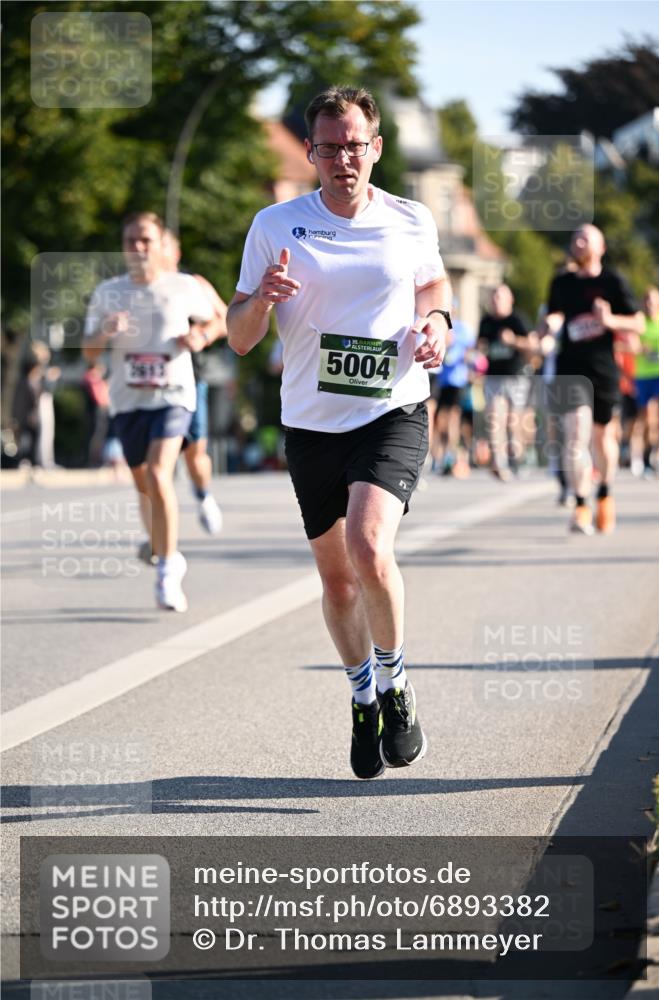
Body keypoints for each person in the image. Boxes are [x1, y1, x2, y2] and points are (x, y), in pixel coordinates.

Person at [227, 86, 451, 779]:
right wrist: (261, 299)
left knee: (367, 547)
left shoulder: (411, 220)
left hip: (391, 408)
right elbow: (237, 339)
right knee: (337, 580)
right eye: (328, 147)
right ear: (310, 153)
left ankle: (394, 685)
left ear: (375, 148)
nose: (342, 159)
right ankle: (361, 698)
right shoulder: (274, 224)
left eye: (354, 145)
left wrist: (438, 326)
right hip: (311, 422)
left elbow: (433, 289)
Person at [83, 211, 215, 611]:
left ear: (161, 246)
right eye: (130, 242)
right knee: (144, 485)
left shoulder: (183, 286)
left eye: (146, 241)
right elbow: (89, 354)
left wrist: (199, 336)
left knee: (160, 473)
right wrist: (104, 332)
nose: (138, 248)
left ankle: (168, 569)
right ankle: (161, 549)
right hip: (127, 402)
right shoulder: (108, 292)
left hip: (174, 395)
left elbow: (217, 323)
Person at [541, 224, 645, 534]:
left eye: (586, 238)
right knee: (575, 436)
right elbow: (556, 314)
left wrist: (609, 320)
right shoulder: (561, 282)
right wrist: (550, 324)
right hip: (570, 369)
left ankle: (605, 493)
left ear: (601, 248)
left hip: (603, 371)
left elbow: (638, 322)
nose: (579, 242)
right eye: (575, 238)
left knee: (603, 439)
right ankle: (581, 503)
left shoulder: (612, 281)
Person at [161, 229, 227, 536]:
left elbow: (226, 319)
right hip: (147, 385)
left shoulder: (193, 284)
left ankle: (203, 495)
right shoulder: (130, 289)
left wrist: (200, 335)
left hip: (188, 377)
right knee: (156, 462)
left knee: (193, 454)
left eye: (159, 246)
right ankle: (158, 533)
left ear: (175, 253)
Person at [478, 284, 534, 481]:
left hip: (516, 376)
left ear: (510, 300)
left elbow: (532, 344)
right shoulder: (486, 321)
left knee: (513, 421)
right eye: (494, 298)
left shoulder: (517, 320)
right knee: (495, 417)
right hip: (493, 377)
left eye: (500, 297)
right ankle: (498, 462)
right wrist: (479, 351)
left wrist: (513, 341)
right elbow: (480, 345)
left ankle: (516, 458)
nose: (496, 302)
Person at [432, 303, 475, 477]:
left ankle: (452, 455)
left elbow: (471, 351)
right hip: (441, 380)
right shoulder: (440, 326)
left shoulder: (462, 329)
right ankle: (440, 455)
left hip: (457, 380)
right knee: (440, 420)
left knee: (454, 419)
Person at [635, 286, 659, 476]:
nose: (649, 304)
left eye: (652, 300)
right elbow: (631, 343)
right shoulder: (639, 321)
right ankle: (647, 457)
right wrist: (641, 349)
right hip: (643, 374)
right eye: (646, 300)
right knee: (648, 419)